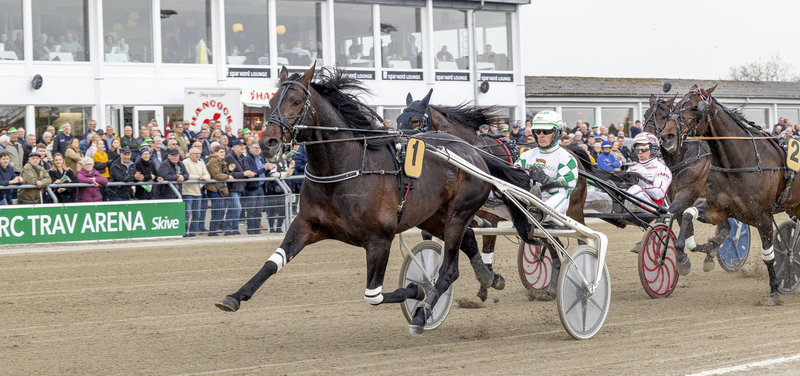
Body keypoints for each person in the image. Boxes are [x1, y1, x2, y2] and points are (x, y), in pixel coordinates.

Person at [514, 111, 578, 218]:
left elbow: (565, 191)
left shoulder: (566, 159)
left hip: (552, 206)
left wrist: (545, 180)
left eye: (546, 131)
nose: (541, 135)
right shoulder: (526, 156)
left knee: (562, 195)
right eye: (538, 131)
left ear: (557, 133)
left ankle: (539, 214)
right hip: (526, 201)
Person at [224, 139, 256, 235]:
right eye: (239, 145)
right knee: (237, 208)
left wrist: (249, 173)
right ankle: (231, 228)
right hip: (232, 187)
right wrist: (244, 173)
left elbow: (246, 169)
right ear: (233, 147)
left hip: (240, 187)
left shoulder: (242, 157)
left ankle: (231, 228)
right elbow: (229, 173)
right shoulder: (229, 157)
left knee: (233, 208)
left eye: (242, 145)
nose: (242, 147)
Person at [205, 145, 234, 236]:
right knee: (219, 210)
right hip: (213, 189)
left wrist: (229, 170)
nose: (223, 154)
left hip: (219, 188)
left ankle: (213, 230)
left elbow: (223, 174)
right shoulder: (213, 161)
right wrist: (228, 176)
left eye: (224, 152)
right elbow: (217, 175)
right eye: (221, 152)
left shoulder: (222, 161)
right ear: (215, 152)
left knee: (219, 210)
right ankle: (212, 231)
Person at [182, 147, 210, 237]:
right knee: (187, 213)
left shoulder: (201, 163)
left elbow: (207, 175)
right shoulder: (185, 162)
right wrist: (198, 177)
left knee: (197, 214)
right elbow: (186, 175)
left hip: (198, 192)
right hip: (187, 192)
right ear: (190, 154)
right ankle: (184, 232)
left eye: (199, 154)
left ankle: (192, 232)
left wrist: (203, 178)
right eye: (195, 154)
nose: (198, 155)